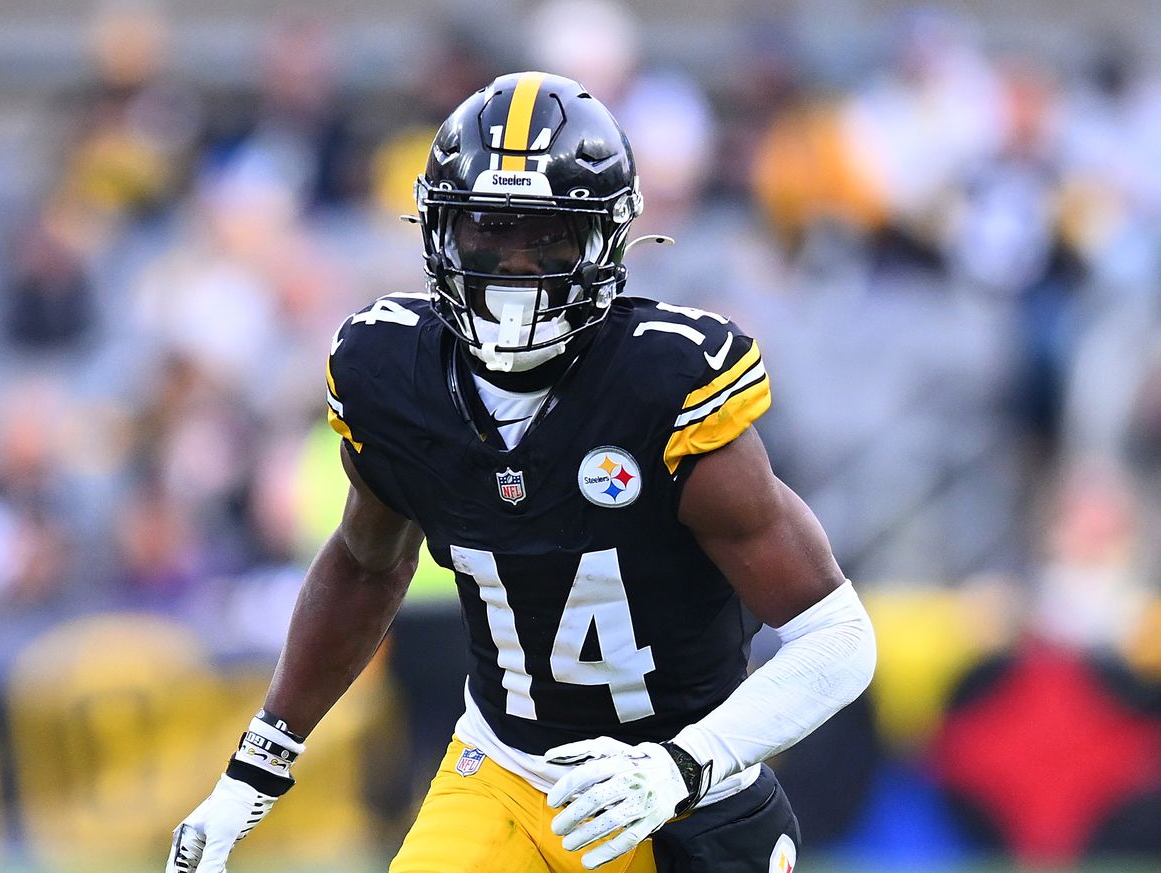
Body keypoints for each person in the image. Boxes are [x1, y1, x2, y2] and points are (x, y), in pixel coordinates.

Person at [166, 71, 876, 873]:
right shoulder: (391, 371)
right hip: (504, 772)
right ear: (439, 233)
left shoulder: (662, 387)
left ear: (607, 241)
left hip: (676, 800)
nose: (512, 269)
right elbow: (366, 564)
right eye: (487, 233)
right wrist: (255, 767)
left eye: (547, 238)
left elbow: (838, 637)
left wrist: (686, 761)